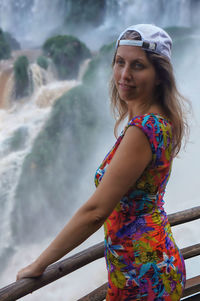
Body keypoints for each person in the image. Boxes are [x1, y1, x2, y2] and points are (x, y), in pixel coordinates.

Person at [17, 24, 189, 300]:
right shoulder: (160, 120)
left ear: (159, 75)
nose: (124, 75)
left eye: (138, 66)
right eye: (119, 62)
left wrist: (39, 264)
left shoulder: (143, 129)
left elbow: (96, 211)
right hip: (153, 262)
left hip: (142, 275)